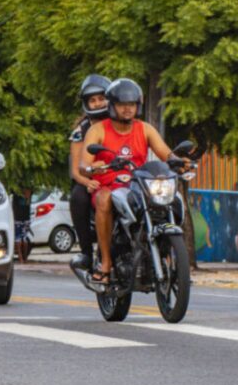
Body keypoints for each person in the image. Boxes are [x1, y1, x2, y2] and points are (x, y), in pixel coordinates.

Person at [79, 78, 185, 284]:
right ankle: (106, 263)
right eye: (122, 104)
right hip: (108, 184)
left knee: (173, 198)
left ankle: (170, 259)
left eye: (132, 104)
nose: (128, 109)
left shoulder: (145, 129)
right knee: (104, 199)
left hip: (138, 185)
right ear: (112, 106)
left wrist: (180, 161)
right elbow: (84, 164)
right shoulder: (98, 130)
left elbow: (165, 153)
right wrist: (93, 167)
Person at [68, 74, 110, 272]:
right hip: (90, 179)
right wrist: (87, 182)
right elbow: (76, 170)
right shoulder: (81, 130)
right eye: (92, 100)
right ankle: (86, 251)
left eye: (101, 98)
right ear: (86, 104)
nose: (98, 103)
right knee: (78, 197)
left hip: (120, 177)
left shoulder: (125, 121)